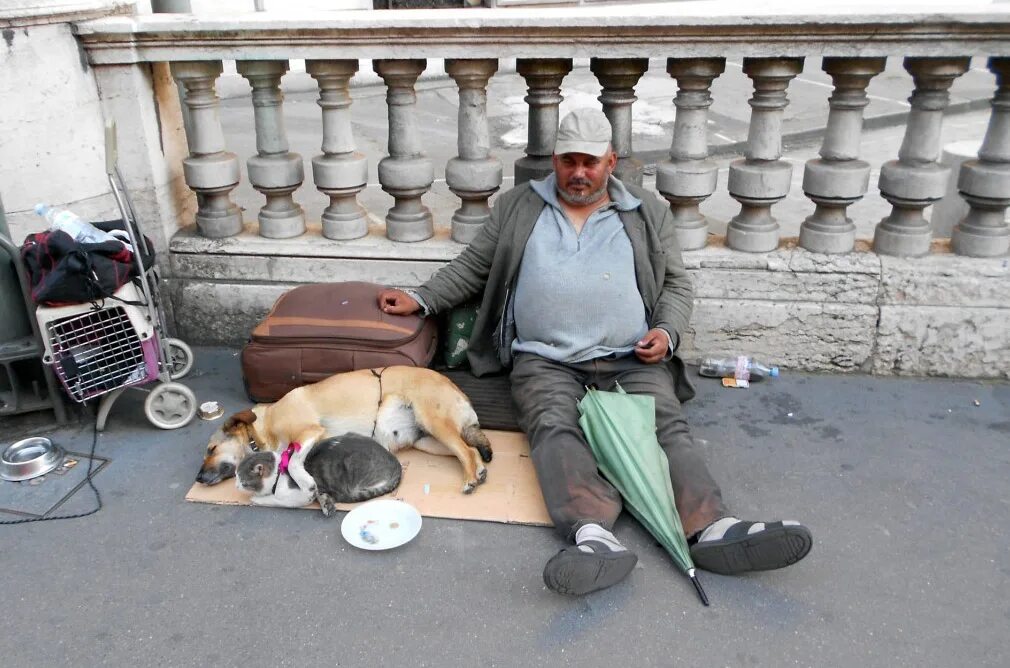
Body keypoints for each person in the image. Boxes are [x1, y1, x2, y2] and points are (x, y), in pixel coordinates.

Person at [378, 108, 812, 596]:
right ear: (555, 161)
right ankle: (593, 535)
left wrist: (666, 332)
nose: (579, 173)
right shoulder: (520, 206)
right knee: (551, 424)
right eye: (569, 162)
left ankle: (712, 527)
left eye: (590, 162)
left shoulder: (647, 211)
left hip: (630, 355)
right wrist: (420, 298)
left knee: (664, 425)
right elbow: (473, 267)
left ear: (612, 161)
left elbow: (676, 285)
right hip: (545, 358)